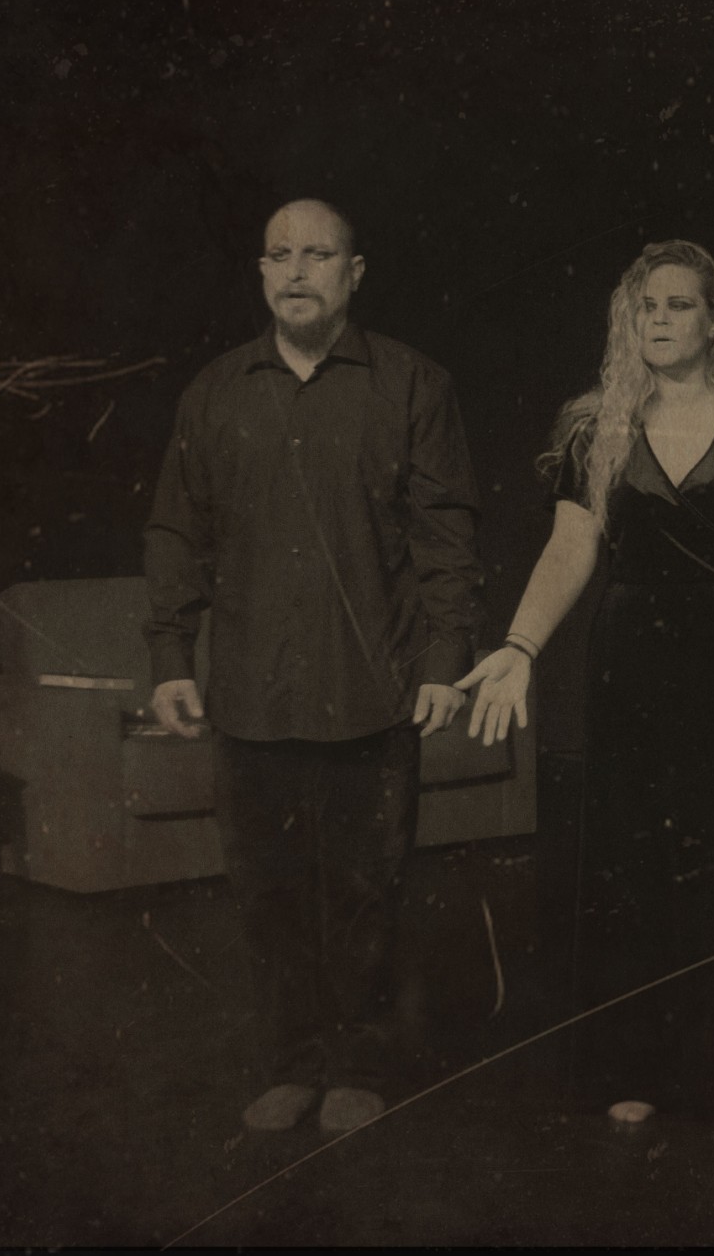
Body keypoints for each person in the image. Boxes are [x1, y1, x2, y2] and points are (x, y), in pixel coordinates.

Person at [457, 240, 714, 1126]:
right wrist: (520, 644)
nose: (660, 321)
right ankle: (634, 1067)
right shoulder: (598, 427)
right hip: (631, 657)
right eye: (646, 308)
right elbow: (569, 548)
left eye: (678, 305)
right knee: (632, 857)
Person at [144, 198, 485, 1136]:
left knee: (367, 891)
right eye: (280, 255)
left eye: (319, 254)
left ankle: (359, 1065)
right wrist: (171, 656)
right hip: (250, 696)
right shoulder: (214, 392)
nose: (297, 272)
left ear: (354, 273)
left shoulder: (413, 385)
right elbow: (176, 532)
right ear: (261, 273)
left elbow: (446, 535)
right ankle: (293, 1064)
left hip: (372, 692)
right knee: (271, 895)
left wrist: (445, 661)